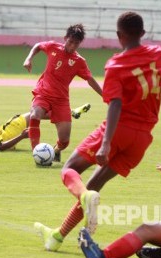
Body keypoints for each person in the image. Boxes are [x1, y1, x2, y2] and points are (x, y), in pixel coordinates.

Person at [34, 11, 161, 251]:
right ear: (143, 33)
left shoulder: (116, 64)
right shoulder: (160, 54)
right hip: (142, 139)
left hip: (119, 129)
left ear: (119, 35)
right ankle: (57, 236)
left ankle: (83, 196)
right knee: (93, 187)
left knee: (70, 170)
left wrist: (106, 143)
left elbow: (115, 104)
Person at [23, 23, 102, 162]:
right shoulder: (53, 47)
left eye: (76, 44)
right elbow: (37, 46)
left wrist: (104, 95)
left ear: (79, 44)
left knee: (65, 141)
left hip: (61, 100)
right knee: (35, 115)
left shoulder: (79, 61)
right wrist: (28, 58)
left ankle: (56, 150)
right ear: (65, 38)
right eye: (70, 42)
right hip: (43, 92)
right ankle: (37, 152)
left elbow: (90, 79)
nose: (72, 46)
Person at [0, 101, 93, 151]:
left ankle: (69, 113)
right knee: (34, 113)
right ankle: (69, 113)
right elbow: (1, 146)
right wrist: (21, 136)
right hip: (9, 133)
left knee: (34, 114)